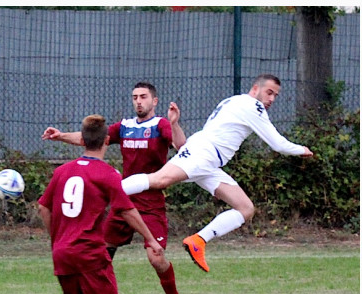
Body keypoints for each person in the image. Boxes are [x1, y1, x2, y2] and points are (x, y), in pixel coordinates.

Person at [122, 74, 314, 272]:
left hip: (210, 161)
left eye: (275, 95)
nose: (272, 99)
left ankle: (198, 241)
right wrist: (302, 149)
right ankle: (109, 189)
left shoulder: (233, 100)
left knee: (245, 208)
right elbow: (277, 144)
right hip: (204, 154)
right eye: (269, 92)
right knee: (159, 180)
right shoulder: (252, 106)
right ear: (255, 89)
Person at [42, 82, 187, 294]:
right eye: (135, 97)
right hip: (124, 203)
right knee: (100, 255)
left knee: (156, 258)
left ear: (154, 101)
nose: (138, 101)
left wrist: (174, 123)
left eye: (143, 97)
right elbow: (92, 139)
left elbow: (181, 146)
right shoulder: (126, 127)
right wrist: (61, 136)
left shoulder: (161, 124)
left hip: (151, 205)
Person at [38, 114, 163, 294]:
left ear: (81, 140)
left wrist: (56, 238)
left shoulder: (62, 171)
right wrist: (150, 239)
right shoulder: (108, 174)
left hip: (62, 253)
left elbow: (43, 206)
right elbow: (127, 211)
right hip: (90, 253)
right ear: (107, 140)